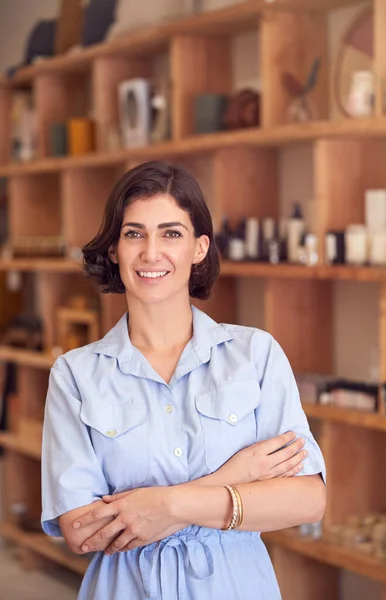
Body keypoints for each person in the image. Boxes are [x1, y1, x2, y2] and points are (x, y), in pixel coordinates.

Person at [41, 160, 326, 600]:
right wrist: (238, 475)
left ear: (199, 248)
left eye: (171, 233)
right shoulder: (76, 375)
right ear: (115, 249)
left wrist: (168, 506)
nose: (151, 253)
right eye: (134, 233)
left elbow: (307, 498)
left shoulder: (256, 355)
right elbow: (81, 531)